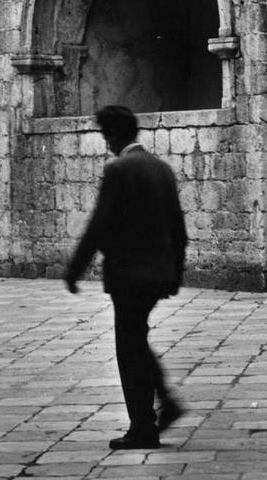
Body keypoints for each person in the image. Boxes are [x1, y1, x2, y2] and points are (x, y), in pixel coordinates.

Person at [65, 105, 188, 450]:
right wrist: (175, 272)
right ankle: (166, 401)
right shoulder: (161, 168)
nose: (106, 143)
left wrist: (75, 269)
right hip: (158, 273)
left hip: (129, 275)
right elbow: (179, 229)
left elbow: (99, 225)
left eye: (106, 136)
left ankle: (142, 428)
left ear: (114, 134)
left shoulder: (118, 169)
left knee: (128, 348)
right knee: (137, 339)